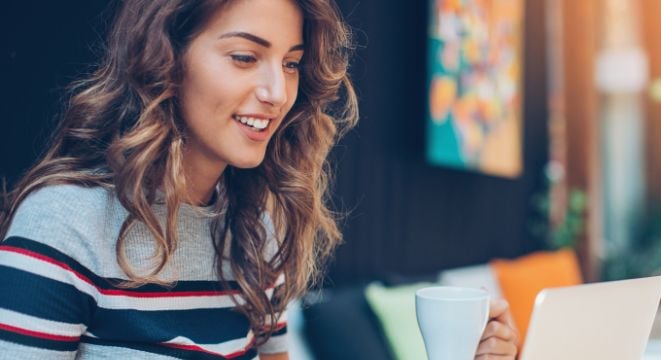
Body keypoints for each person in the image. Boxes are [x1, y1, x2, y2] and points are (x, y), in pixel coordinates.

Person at [0, 0, 519, 359]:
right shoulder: (64, 225)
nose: (277, 91)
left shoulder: (253, 231)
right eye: (245, 57)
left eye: (291, 64)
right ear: (165, 60)